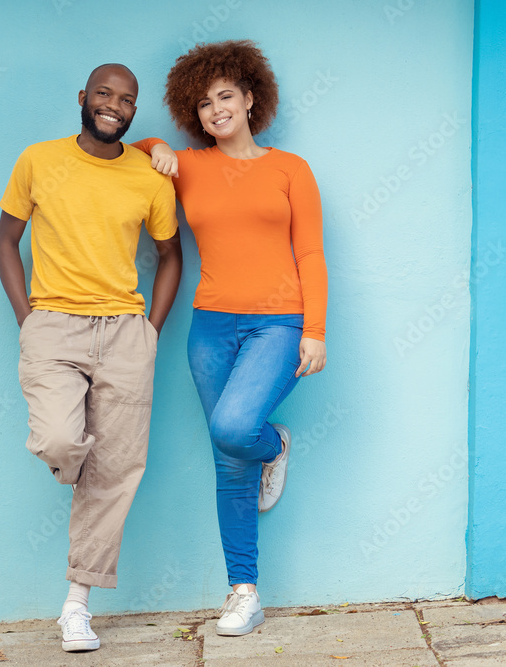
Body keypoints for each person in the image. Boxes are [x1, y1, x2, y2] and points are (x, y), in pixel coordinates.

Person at [133, 39, 327, 637]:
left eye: (225, 96)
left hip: (278, 322)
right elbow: (131, 148)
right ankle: (244, 592)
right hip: (210, 325)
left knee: (235, 430)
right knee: (227, 463)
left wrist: (315, 331)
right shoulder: (187, 165)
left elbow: (311, 253)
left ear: (249, 99)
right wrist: (159, 145)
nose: (215, 109)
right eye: (203, 104)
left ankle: (274, 445)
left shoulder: (289, 168)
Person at [0, 63, 182, 652]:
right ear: (83, 98)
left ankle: (76, 607)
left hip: (125, 332)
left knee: (118, 471)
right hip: (53, 325)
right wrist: (29, 321)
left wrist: (150, 331)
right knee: (57, 440)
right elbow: (5, 241)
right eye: (104, 94)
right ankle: (81, 472)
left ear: (133, 111)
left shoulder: (149, 178)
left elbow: (171, 256)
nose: (114, 105)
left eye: (126, 100)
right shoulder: (38, 160)